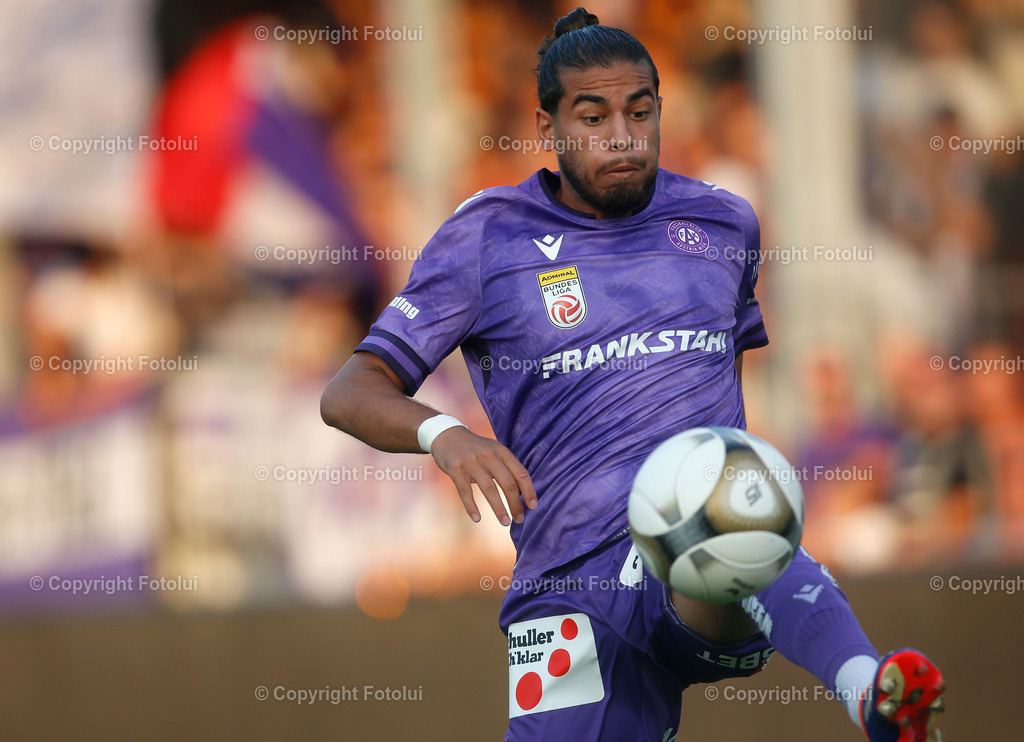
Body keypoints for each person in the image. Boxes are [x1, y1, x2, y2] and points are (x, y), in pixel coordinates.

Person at [320, 8, 945, 741]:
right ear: (548, 126)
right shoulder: (487, 237)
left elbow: (712, 388)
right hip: (567, 585)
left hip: (688, 553)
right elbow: (349, 391)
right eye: (592, 116)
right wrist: (446, 433)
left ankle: (871, 692)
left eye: (639, 111)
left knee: (740, 505)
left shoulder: (722, 224)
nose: (621, 134)